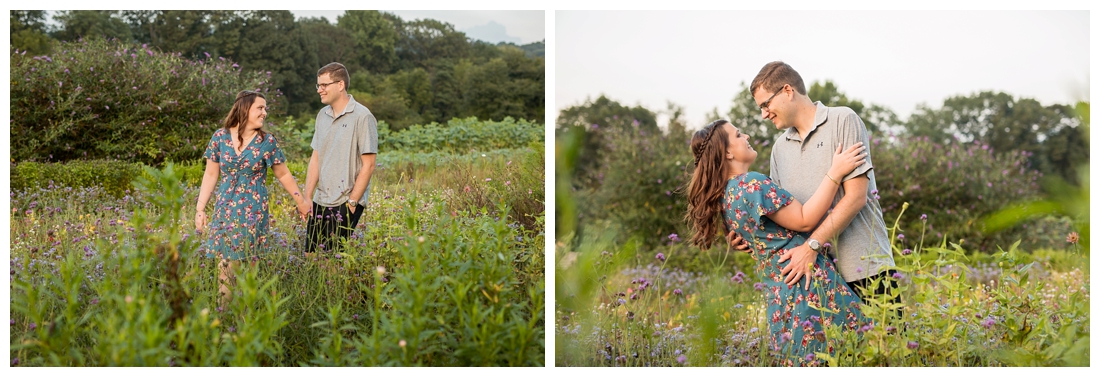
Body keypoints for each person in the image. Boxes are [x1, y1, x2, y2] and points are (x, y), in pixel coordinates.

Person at [686, 119, 868, 365]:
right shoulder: (752, 183)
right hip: (806, 283)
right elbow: (804, 220)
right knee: (855, 354)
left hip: (780, 293)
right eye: (739, 135)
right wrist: (835, 173)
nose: (747, 135)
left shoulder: (724, 196)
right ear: (727, 152)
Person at [729, 61, 900, 309]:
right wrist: (750, 238)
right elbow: (785, 220)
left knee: (890, 346)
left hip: (865, 270)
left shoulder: (843, 119)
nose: (764, 114)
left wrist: (812, 246)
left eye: (766, 104)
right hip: (817, 278)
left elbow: (855, 197)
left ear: (787, 91)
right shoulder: (779, 149)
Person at [195, 90, 311, 305]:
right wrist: (200, 209)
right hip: (225, 209)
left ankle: (244, 318)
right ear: (245, 108)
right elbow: (211, 174)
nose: (264, 112)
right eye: (260, 107)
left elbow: (284, 174)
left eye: (265, 108)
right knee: (226, 265)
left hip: (253, 210)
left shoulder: (267, 141)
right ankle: (225, 315)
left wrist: (301, 201)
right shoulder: (219, 137)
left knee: (247, 264)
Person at [304, 62, 378, 254]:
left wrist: (352, 203)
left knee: (333, 261)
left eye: (324, 85)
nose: (319, 90)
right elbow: (316, 158)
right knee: (311, 255)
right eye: (318, 85)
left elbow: (368, 165)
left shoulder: (363, 117)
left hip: (346, 200)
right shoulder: (322, 115)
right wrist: (307, 197)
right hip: (321, 199)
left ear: (340, 85)